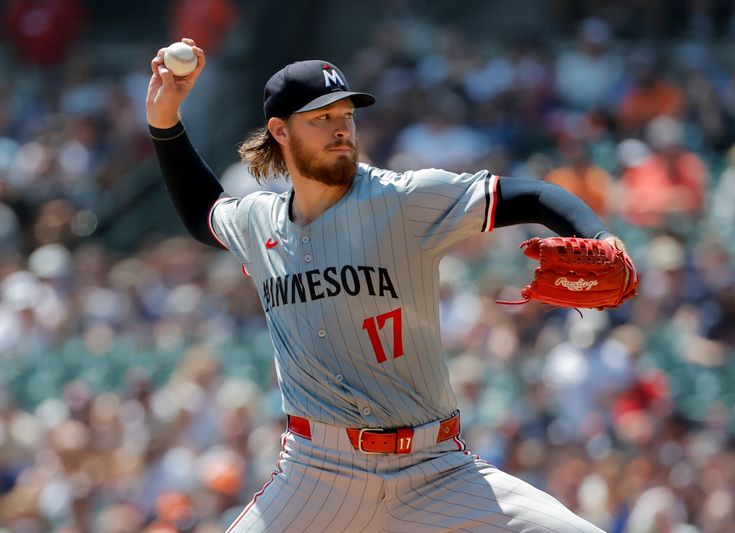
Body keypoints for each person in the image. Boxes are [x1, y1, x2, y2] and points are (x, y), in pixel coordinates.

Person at [146, 37, 625, 533]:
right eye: (321, 119)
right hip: (316, 476)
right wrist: (164, 121)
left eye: (345, 116)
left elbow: (533, 195)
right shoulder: (259, 221)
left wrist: (599, 236)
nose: (340, 130)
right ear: (279, 131)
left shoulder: (403, 199)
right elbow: (203, 212)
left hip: (434, 469)